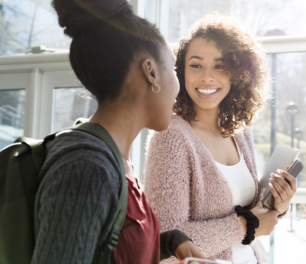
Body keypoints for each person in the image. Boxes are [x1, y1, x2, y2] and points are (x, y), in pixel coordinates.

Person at [32, 0, 205, 263]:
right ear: (150, 72)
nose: (179, 86)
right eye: (171, 68)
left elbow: (110, 245)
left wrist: (172, 241)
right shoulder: (85, 167)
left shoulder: (114, 159)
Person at [144, 14, 297, 264]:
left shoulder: (240, 131)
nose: (207, 77)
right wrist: (246, 226)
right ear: (180, 72)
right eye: (196, 65)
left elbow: (255, 214)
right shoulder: (171, 136)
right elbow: (166, 240)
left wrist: (279, 204)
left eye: (220, 65)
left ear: (238, 74)